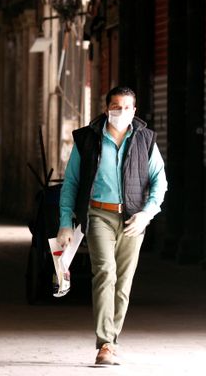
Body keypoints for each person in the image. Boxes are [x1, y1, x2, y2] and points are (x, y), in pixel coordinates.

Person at [57, 86, 167, 366]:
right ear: (106, 109)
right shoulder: (88, 140)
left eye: (127, 107)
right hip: (98, 216)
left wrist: (147, 214)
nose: (121, 112)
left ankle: (112, 340)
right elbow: (71, 183)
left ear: (135, 111)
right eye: (116, 107)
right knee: (105, 273)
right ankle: (105, 343)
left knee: (124, 283)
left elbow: (159, 182)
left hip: (133, 219)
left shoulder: (145, 139)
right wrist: (65, 224)